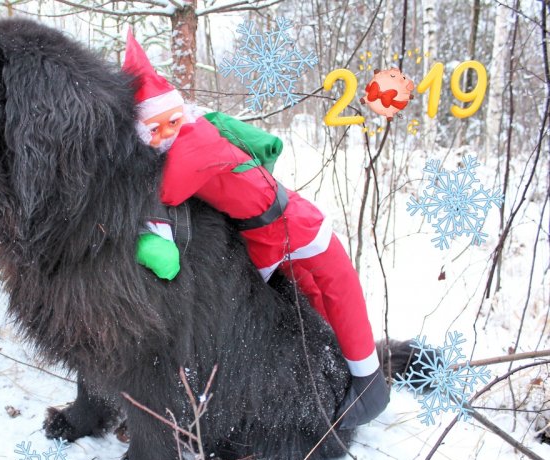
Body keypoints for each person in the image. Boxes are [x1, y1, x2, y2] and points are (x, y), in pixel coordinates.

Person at [124, 30, 389, 429]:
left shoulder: (193, 144)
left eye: (170, 122)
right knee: (325, 291)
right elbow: (267, 145)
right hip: (276, 228)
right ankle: (362, 380)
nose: (165, 135)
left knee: (331, 288)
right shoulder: (203, 129)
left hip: (283, 229)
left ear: (181, 111)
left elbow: (168, 189)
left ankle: (360, 376)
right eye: (153, 131)